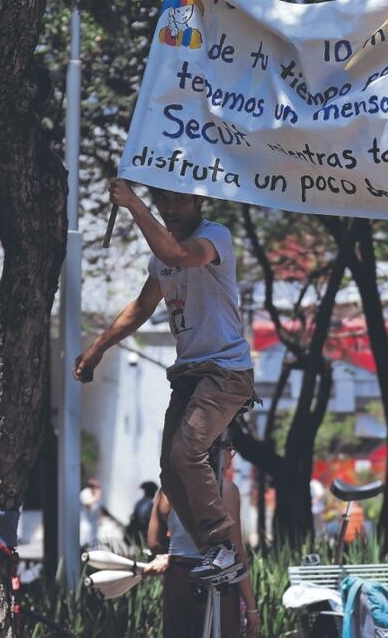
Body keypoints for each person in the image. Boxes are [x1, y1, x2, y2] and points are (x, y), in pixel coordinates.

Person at [74, 181, 256, 582]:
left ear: (199, 199)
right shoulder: (161, 259)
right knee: (171, 475)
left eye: (178, 199)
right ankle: (214, 552)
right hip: (188, 374)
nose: (169, 207)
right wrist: (97, 348)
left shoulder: (214, 237)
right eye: (162, 199)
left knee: (187, 451)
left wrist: (133, 203)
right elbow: (141, 306)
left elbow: (178, 254)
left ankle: (223, 546)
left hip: (225, 371)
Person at [144, 449, 261, 637]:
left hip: (177, 576)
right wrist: (251, 607)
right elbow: (236, 550)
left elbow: (153, 543)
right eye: (229, 446)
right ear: (218, 451)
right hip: (215, 577)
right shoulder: (225, 489)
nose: (233, 453)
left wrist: (172, 554)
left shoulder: (168, 489)